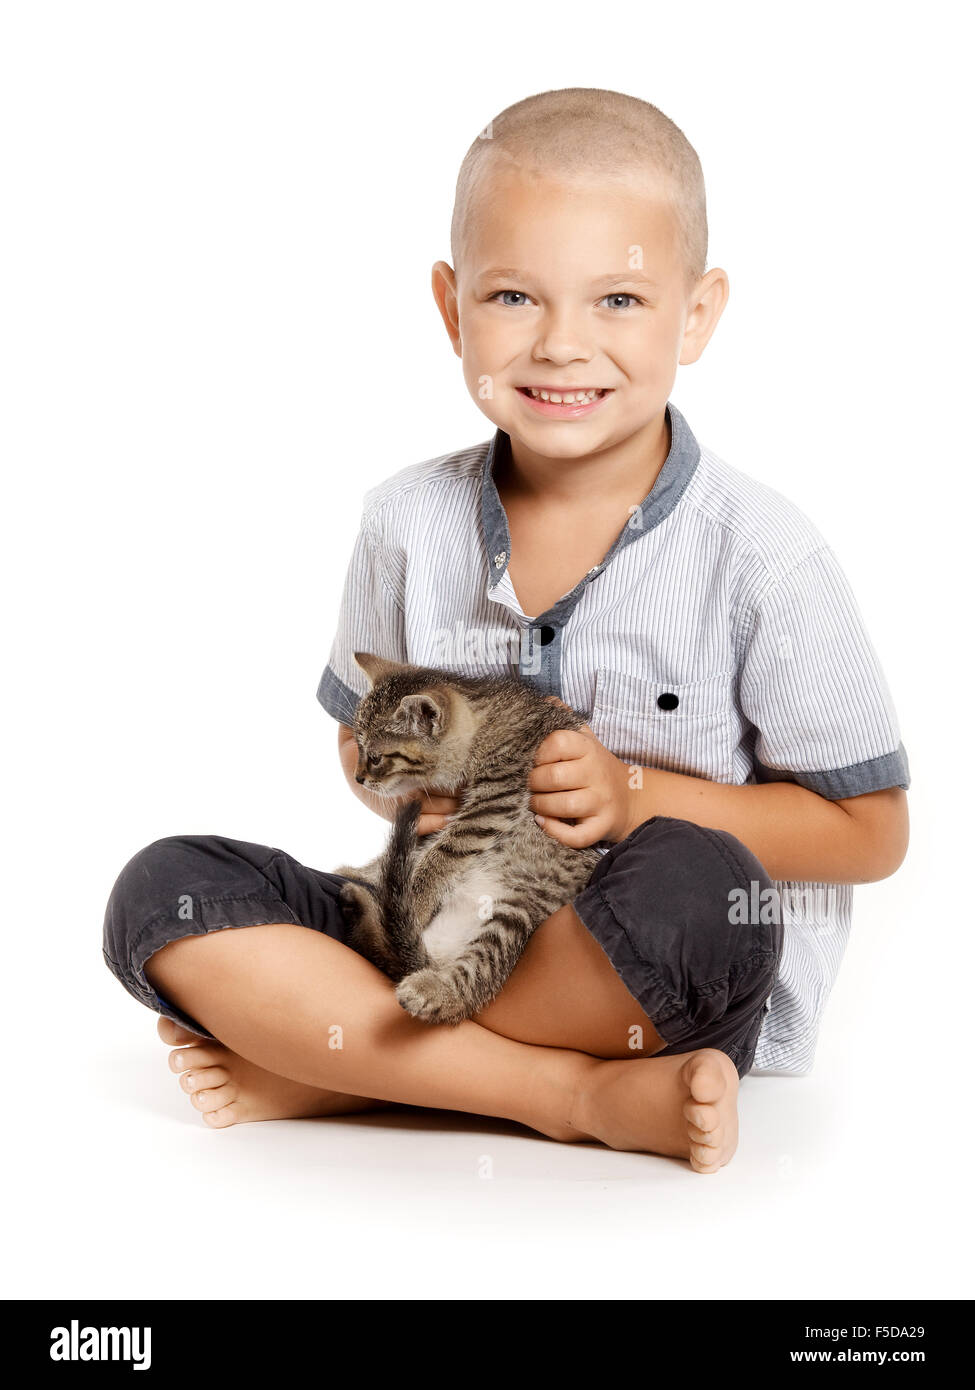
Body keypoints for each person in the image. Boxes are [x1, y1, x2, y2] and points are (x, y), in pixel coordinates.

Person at [102, 88, 909, 1173]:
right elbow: (361, 740)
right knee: (165, 892)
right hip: (435, 919)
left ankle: (343, 1060)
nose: (562, 346)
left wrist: (636, 799)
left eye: (619, 298)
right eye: (515, 295)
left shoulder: (765, 556)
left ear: (698, 314)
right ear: (451, 308)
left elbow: (872, 831)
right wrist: (410, 785)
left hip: (632, 966)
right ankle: (562, 1093)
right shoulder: (405, 519)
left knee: (702, 889)